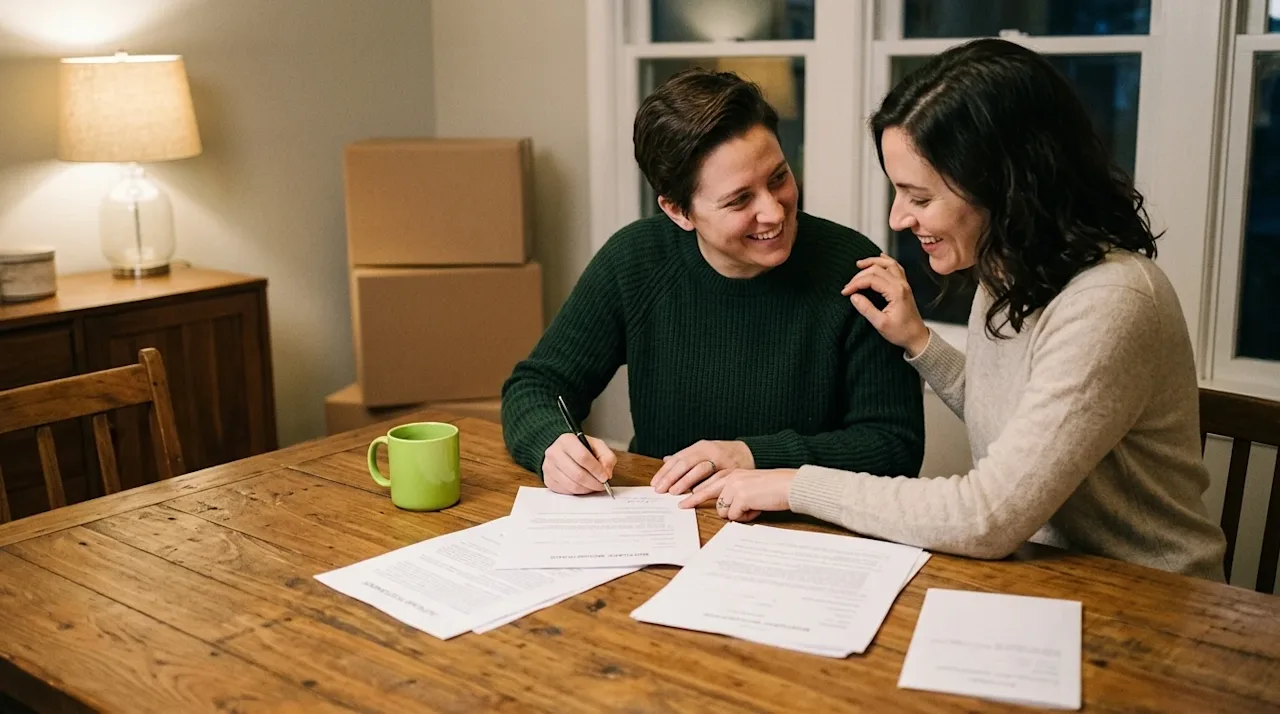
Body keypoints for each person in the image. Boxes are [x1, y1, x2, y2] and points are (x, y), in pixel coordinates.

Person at [681, 39, 1228, 581]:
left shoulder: (1113, 302)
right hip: (1051, 575)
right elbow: (1015, 416)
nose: (898, 218)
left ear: (1006, 187)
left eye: (919, 197)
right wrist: (918, 341)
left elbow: (986, 516)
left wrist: (793, 483)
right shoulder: (1009, 273)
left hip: (1155, 598)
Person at [501, 68, 925, 497]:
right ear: (678, 211)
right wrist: (552, 446)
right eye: (740, 200)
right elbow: (536, 386)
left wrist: (752, 456)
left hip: (806, 531)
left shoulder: (855, 271)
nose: (774, 212)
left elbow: (894, 447)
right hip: (667, 520)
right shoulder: (635, 260)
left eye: (778, 177)